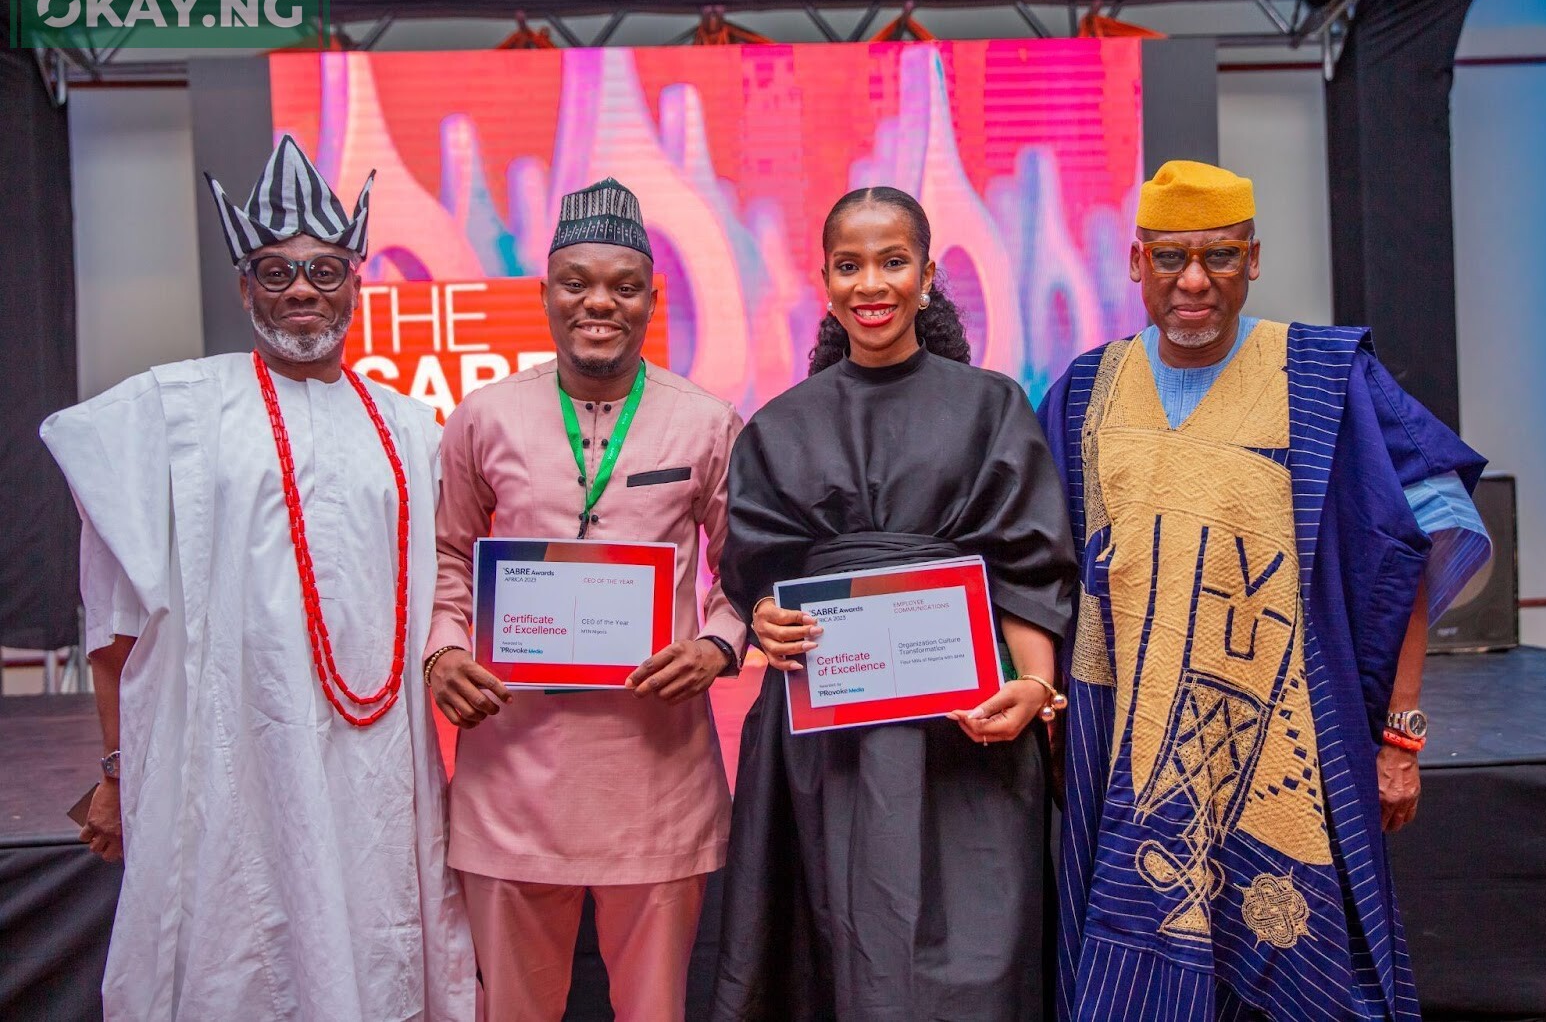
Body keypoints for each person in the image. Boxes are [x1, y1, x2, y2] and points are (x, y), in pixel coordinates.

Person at [1038, 160, 1491, 1021]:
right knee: (1133, 978)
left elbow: (1420, 538)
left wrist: (1402, 730)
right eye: (1171, 258)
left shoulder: (1322, 380)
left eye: (1220, 255)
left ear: (1255, 258)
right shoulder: (1084, 393)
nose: (1195, 280)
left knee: (1303, 976)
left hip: (1287, 751)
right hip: (1126, 751)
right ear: (1136, 263)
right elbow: (1036, 569)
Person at [39, 135, 475, 1020]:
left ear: (357, 283)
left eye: (324, 270)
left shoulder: (415, 428)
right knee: (238, 945)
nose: (303, 290)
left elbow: (458, 587)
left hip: (378, 761)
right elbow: (115, 618)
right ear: (244, 288)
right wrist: (120, 769)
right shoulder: (171, 413)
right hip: (228, 751)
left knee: (374, 924)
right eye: (276, 274)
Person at [710, 187, 1078, 1021]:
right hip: (831, 743)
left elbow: (1027, 562)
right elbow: (759, 579)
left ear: (925, 273)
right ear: (825, 279)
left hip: (968, 731)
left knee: (983, 962)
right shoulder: (779, 424)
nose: (870, 283)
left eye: (891, 260)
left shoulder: (991, 406)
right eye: (849, 265)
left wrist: (1036, 689)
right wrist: (764, 619)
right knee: (841, 956)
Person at [424, 177, 745, 1022]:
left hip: (657, 775)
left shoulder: (707, 422)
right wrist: (444, 651)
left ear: (649, 298)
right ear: (544, 294)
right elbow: (445, 556)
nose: (599, 302)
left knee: (653, 1011)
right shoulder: (483, 418)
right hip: (511, 773)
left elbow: (746, 572)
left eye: (623, 286)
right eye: (577, 283)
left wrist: (716, 646)